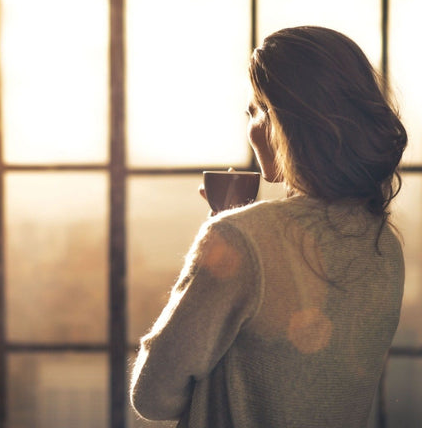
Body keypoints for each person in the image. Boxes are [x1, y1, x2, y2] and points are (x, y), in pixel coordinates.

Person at [130, 26, 407, 427]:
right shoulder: (384, 245)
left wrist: (221, 239)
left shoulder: (242, 239)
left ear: (282, 119)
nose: (252, 125)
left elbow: (152, 397)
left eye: (255, 110)